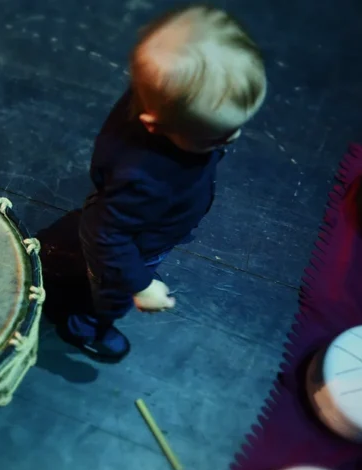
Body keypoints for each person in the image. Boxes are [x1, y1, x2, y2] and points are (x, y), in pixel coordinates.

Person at [61, 4, 267, 362]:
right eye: (215, 138)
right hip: (132, 243)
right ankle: (88, 325)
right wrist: (140, 284)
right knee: (111, 294)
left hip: (150, 216)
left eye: (236, 128)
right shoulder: (143, 180)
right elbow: (103, 233)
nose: (232, 139)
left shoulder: (159, 102)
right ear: (154, 125)